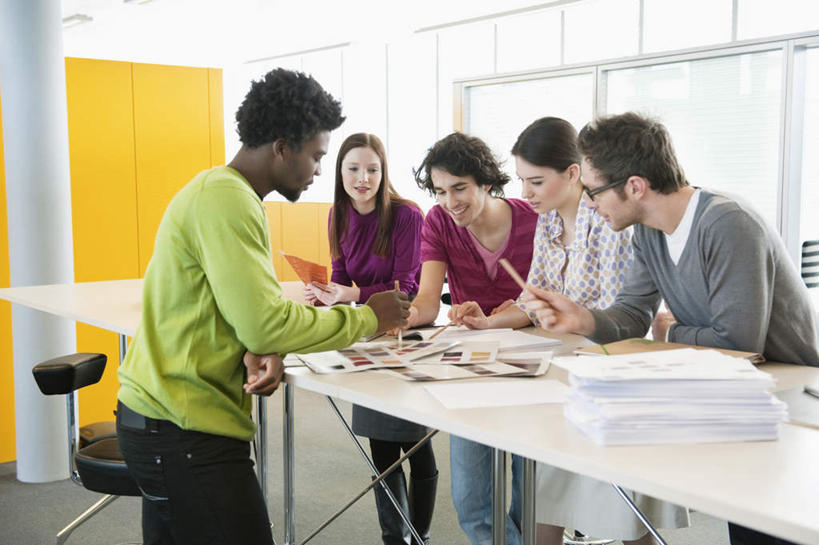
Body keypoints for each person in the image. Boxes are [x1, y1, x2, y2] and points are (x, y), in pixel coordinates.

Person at [115, 69, 410, 545]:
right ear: (281, 146)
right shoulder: (227, 200)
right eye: (316, 156)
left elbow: (237, 316)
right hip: (184, 429)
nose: (319, 170)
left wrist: (256, 349)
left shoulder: (219, 191)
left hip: (162, 420)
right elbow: (264, 322)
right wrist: (369, 317)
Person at [522, 112, 819, 545]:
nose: (588, 203)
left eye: (593, 191)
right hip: (739, 395)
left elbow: (738, 343)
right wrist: (585, 320)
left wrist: (670, 334)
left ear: (636, 186)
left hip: (792, 399)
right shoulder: (649, 232)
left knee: (771, 530)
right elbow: (632, 317)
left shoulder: (727, 223)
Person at [448, 117, 688, 545]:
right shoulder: (550, 222)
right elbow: (534, 297)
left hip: (612, 375)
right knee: (547, 496)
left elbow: (625, 318)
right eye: (523, 181)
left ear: (573, 173)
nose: (526, 194)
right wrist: (489, 322)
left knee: (623, 507)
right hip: (563, 371)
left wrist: (573, 321)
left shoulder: (614, 220)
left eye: (536, 181)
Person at [403, 131, 539, 545]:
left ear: (485, 182)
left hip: (532, 366)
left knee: (530, 497)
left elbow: (550, 303)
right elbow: (427, 302)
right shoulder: (439, 221)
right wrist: (395, 318)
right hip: (471, 365)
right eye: (441, 191)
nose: (450, 201)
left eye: (459, 188)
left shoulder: (534, 220)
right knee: (471, 502)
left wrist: (509, 318)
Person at [305, 132, 436, 545]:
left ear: (384, 172)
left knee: (415, 443)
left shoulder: (407, 215)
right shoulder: (337, 214)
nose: (363, 178)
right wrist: (329, 293)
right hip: (367, 334)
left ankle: (420, 537)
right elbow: (342, 276)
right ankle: (394, 540)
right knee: (380, 448)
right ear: (339, 172)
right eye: (354, 169)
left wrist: (352, 295)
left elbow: (408, 288)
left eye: (372, 170)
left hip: (405, 333)